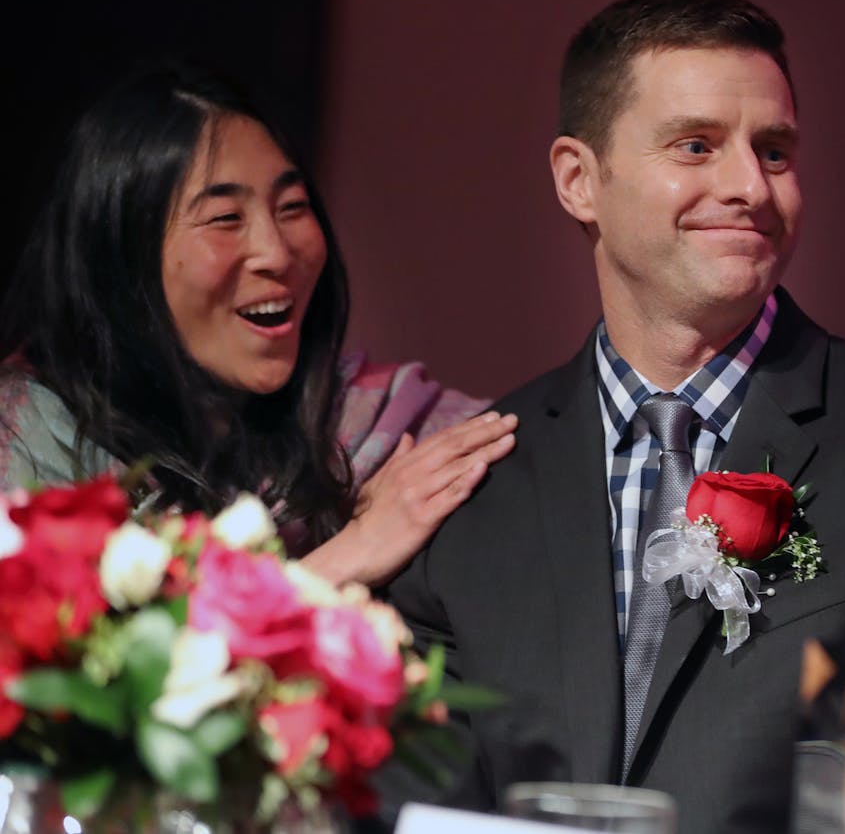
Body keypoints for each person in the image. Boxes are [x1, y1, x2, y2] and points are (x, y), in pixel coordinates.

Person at [384, 0, 845, 833]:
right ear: (580, 181)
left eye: (775, 151)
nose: (748, 187)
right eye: (696, 146)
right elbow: (421, 800)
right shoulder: (472, 485)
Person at [0, 62, 518, 587]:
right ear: (122, 259)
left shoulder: (374, 428)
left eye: (292, 207)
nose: (276, 252)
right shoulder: (34, 441)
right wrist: (350, 555)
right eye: (226, 218)